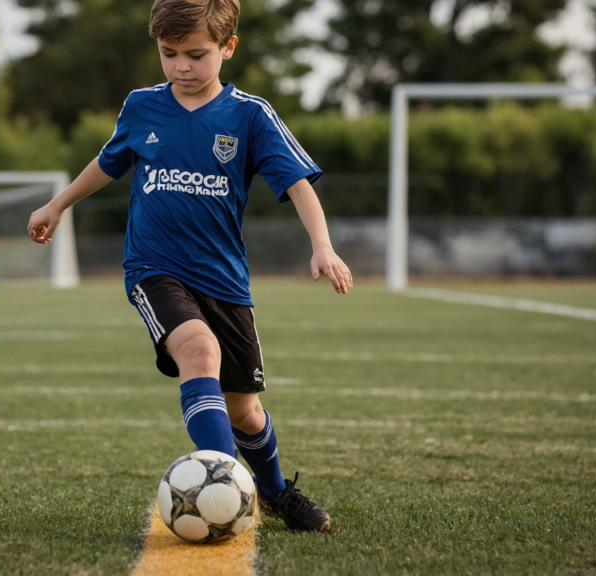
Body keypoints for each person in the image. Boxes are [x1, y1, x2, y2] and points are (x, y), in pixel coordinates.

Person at [27, 0, 352, 533]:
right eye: (169, 53)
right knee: (199, 350)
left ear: (228, 47)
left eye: (196, 55)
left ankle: (272, 492)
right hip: (154, 268)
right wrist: (58, 203)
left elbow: (297, 184)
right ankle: (224, 493)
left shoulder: (250, 115)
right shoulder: (141, 106)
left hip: (224, 280)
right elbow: (108, 162)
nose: (181, 66)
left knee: (245, 411)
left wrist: (323, 245)